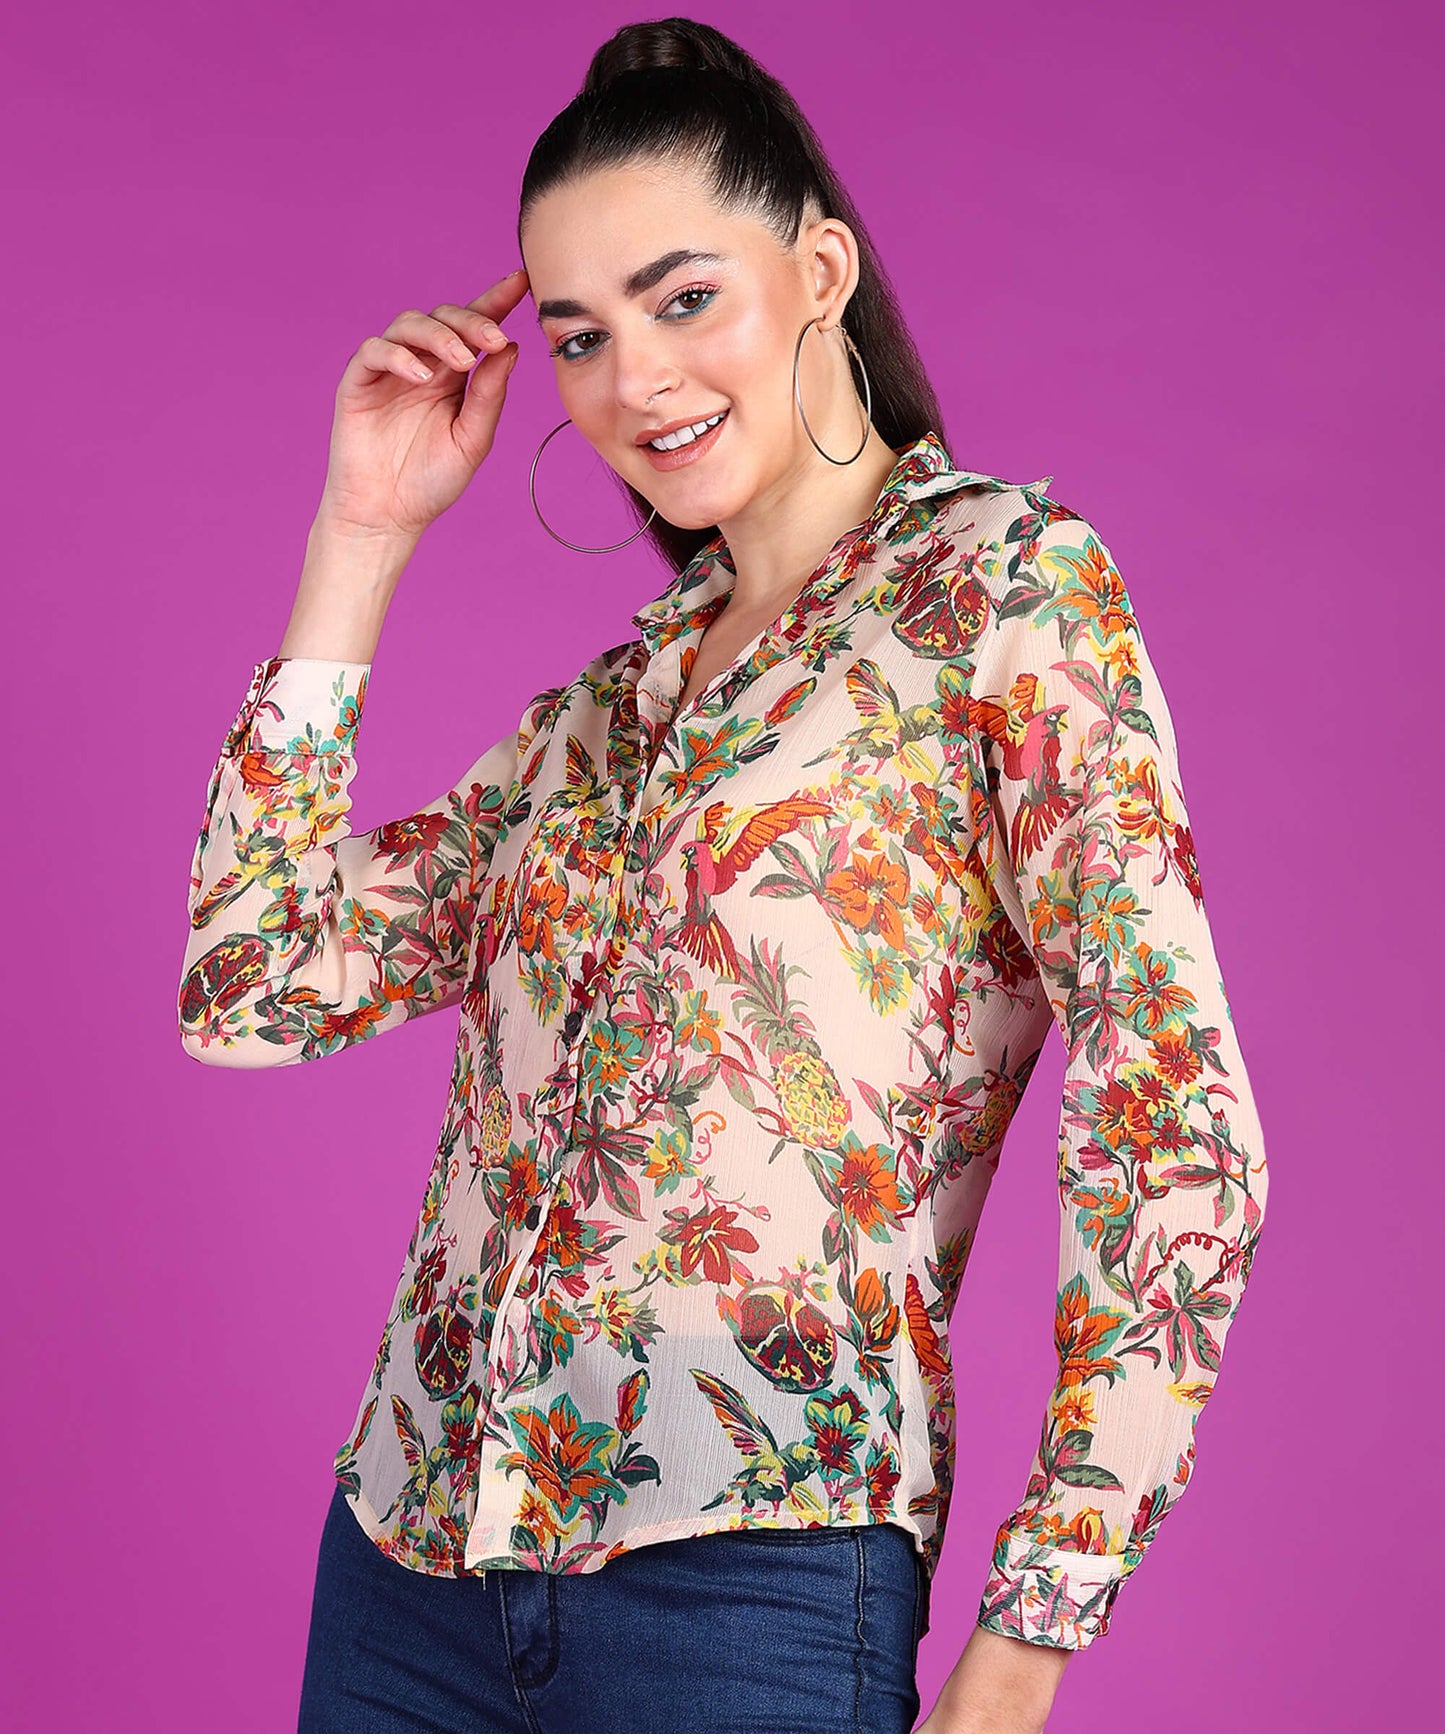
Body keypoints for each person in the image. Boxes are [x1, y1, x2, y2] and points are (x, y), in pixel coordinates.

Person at [176, 17, 1271, 1734]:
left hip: (749, 1582)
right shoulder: (603, 714)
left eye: (683, 299)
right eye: (580, 336)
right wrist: (361, 536)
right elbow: (247, 990)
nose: (635, 382)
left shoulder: (1002, 596)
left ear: (818, 271)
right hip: (406, 1569)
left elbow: (1174, 1122)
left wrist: (1031, 1629)